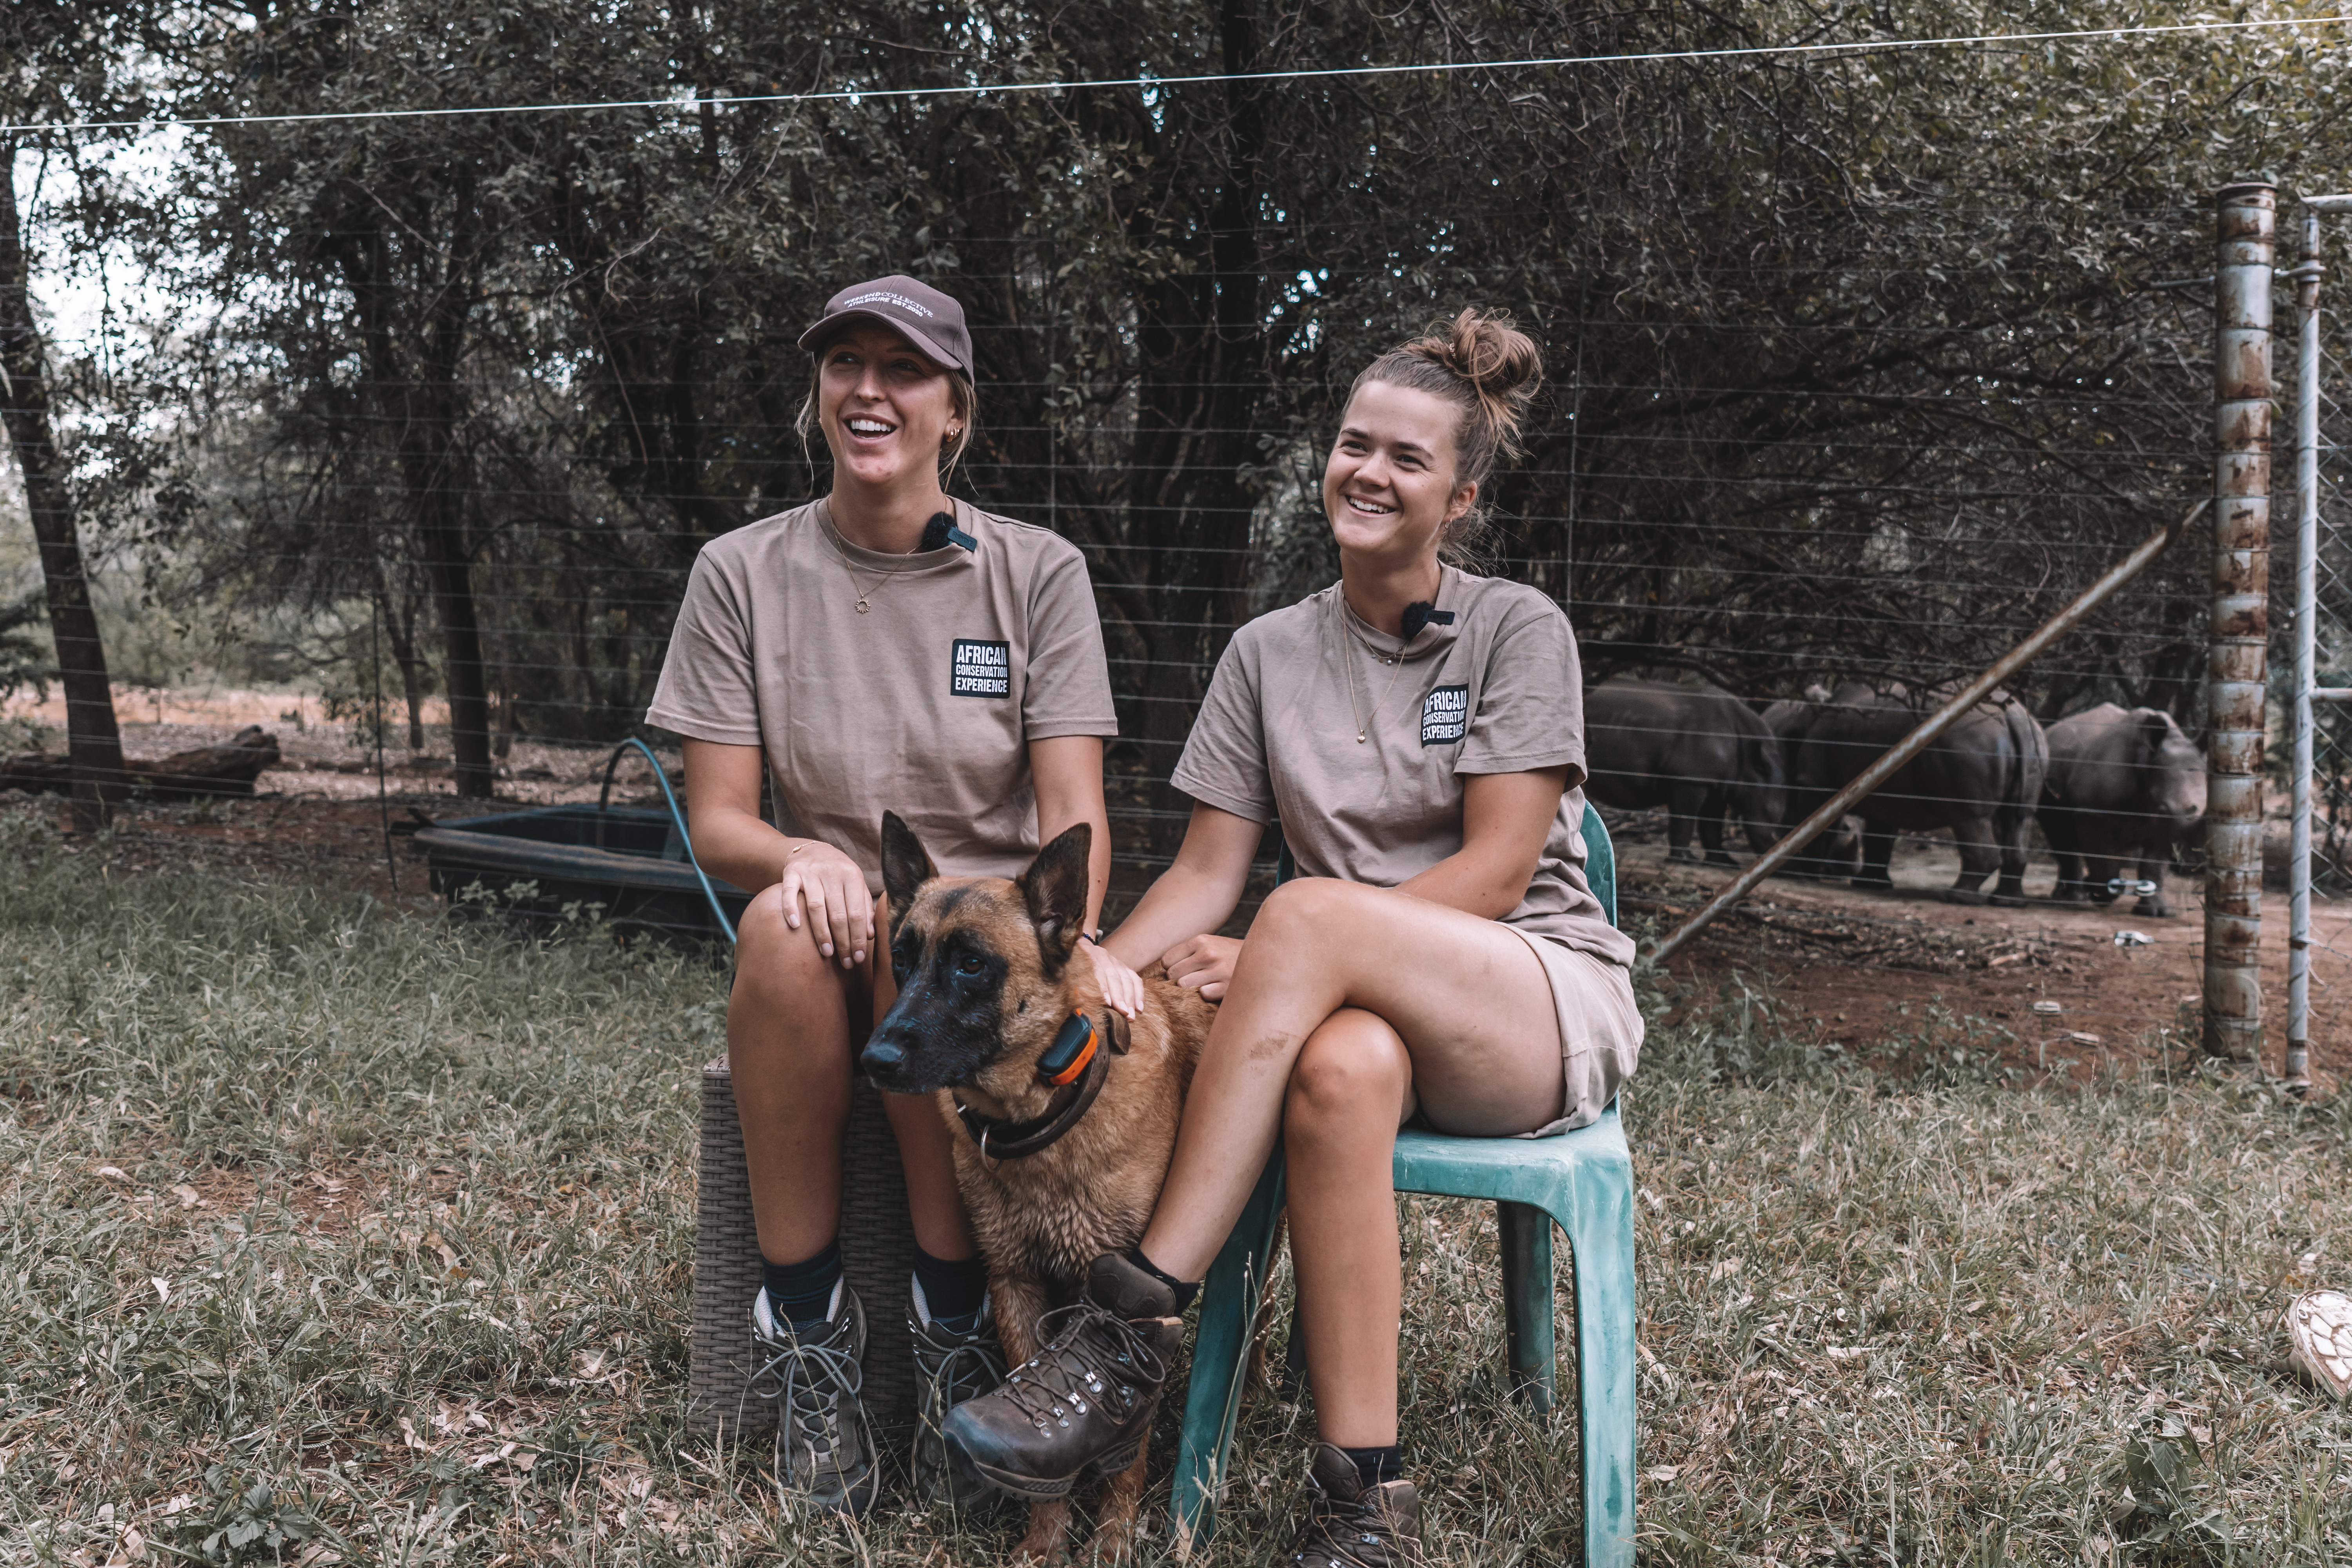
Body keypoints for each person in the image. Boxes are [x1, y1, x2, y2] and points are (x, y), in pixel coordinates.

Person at [941, 308, 1640, 1564]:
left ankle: (1124, 1326)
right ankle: (1363, 1502)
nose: (1368, 472)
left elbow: (1492, 875)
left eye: (1408, 459)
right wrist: (1105, 966)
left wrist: (1281, 947)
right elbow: (1209, 873)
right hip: (1341, 1014)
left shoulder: (1515, 630)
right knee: (1340, 1068)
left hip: (1528, 998)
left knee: (1306, 912)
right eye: (1353, 443)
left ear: (1460, 495)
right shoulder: (1267, 654)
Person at [644, 275, 1145, 1515]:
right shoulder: (739, 571)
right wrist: (802, 857)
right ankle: (808, 1339)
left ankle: (953, 1325)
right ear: (818, 395)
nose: (870, 390)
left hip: (988, 950)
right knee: (793, 920)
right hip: (822, 915)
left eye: (904, 370)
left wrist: (1086, 946)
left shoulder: (1037, 572)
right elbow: (717, 822)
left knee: (927, 938)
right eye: (845, 365)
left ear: (955, 411)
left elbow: (1072, 824)